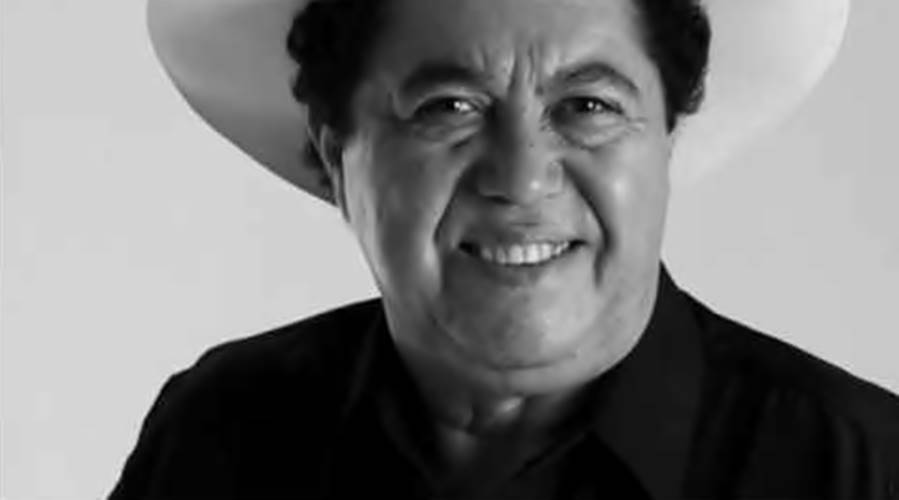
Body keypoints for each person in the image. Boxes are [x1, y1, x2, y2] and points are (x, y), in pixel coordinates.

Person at [111, 0, 899, 498]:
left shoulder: (858, 469)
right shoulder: (219, 433)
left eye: (587, 105)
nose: (521, 180)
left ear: (665, 142)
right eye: (448, 107)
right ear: (334, 154)